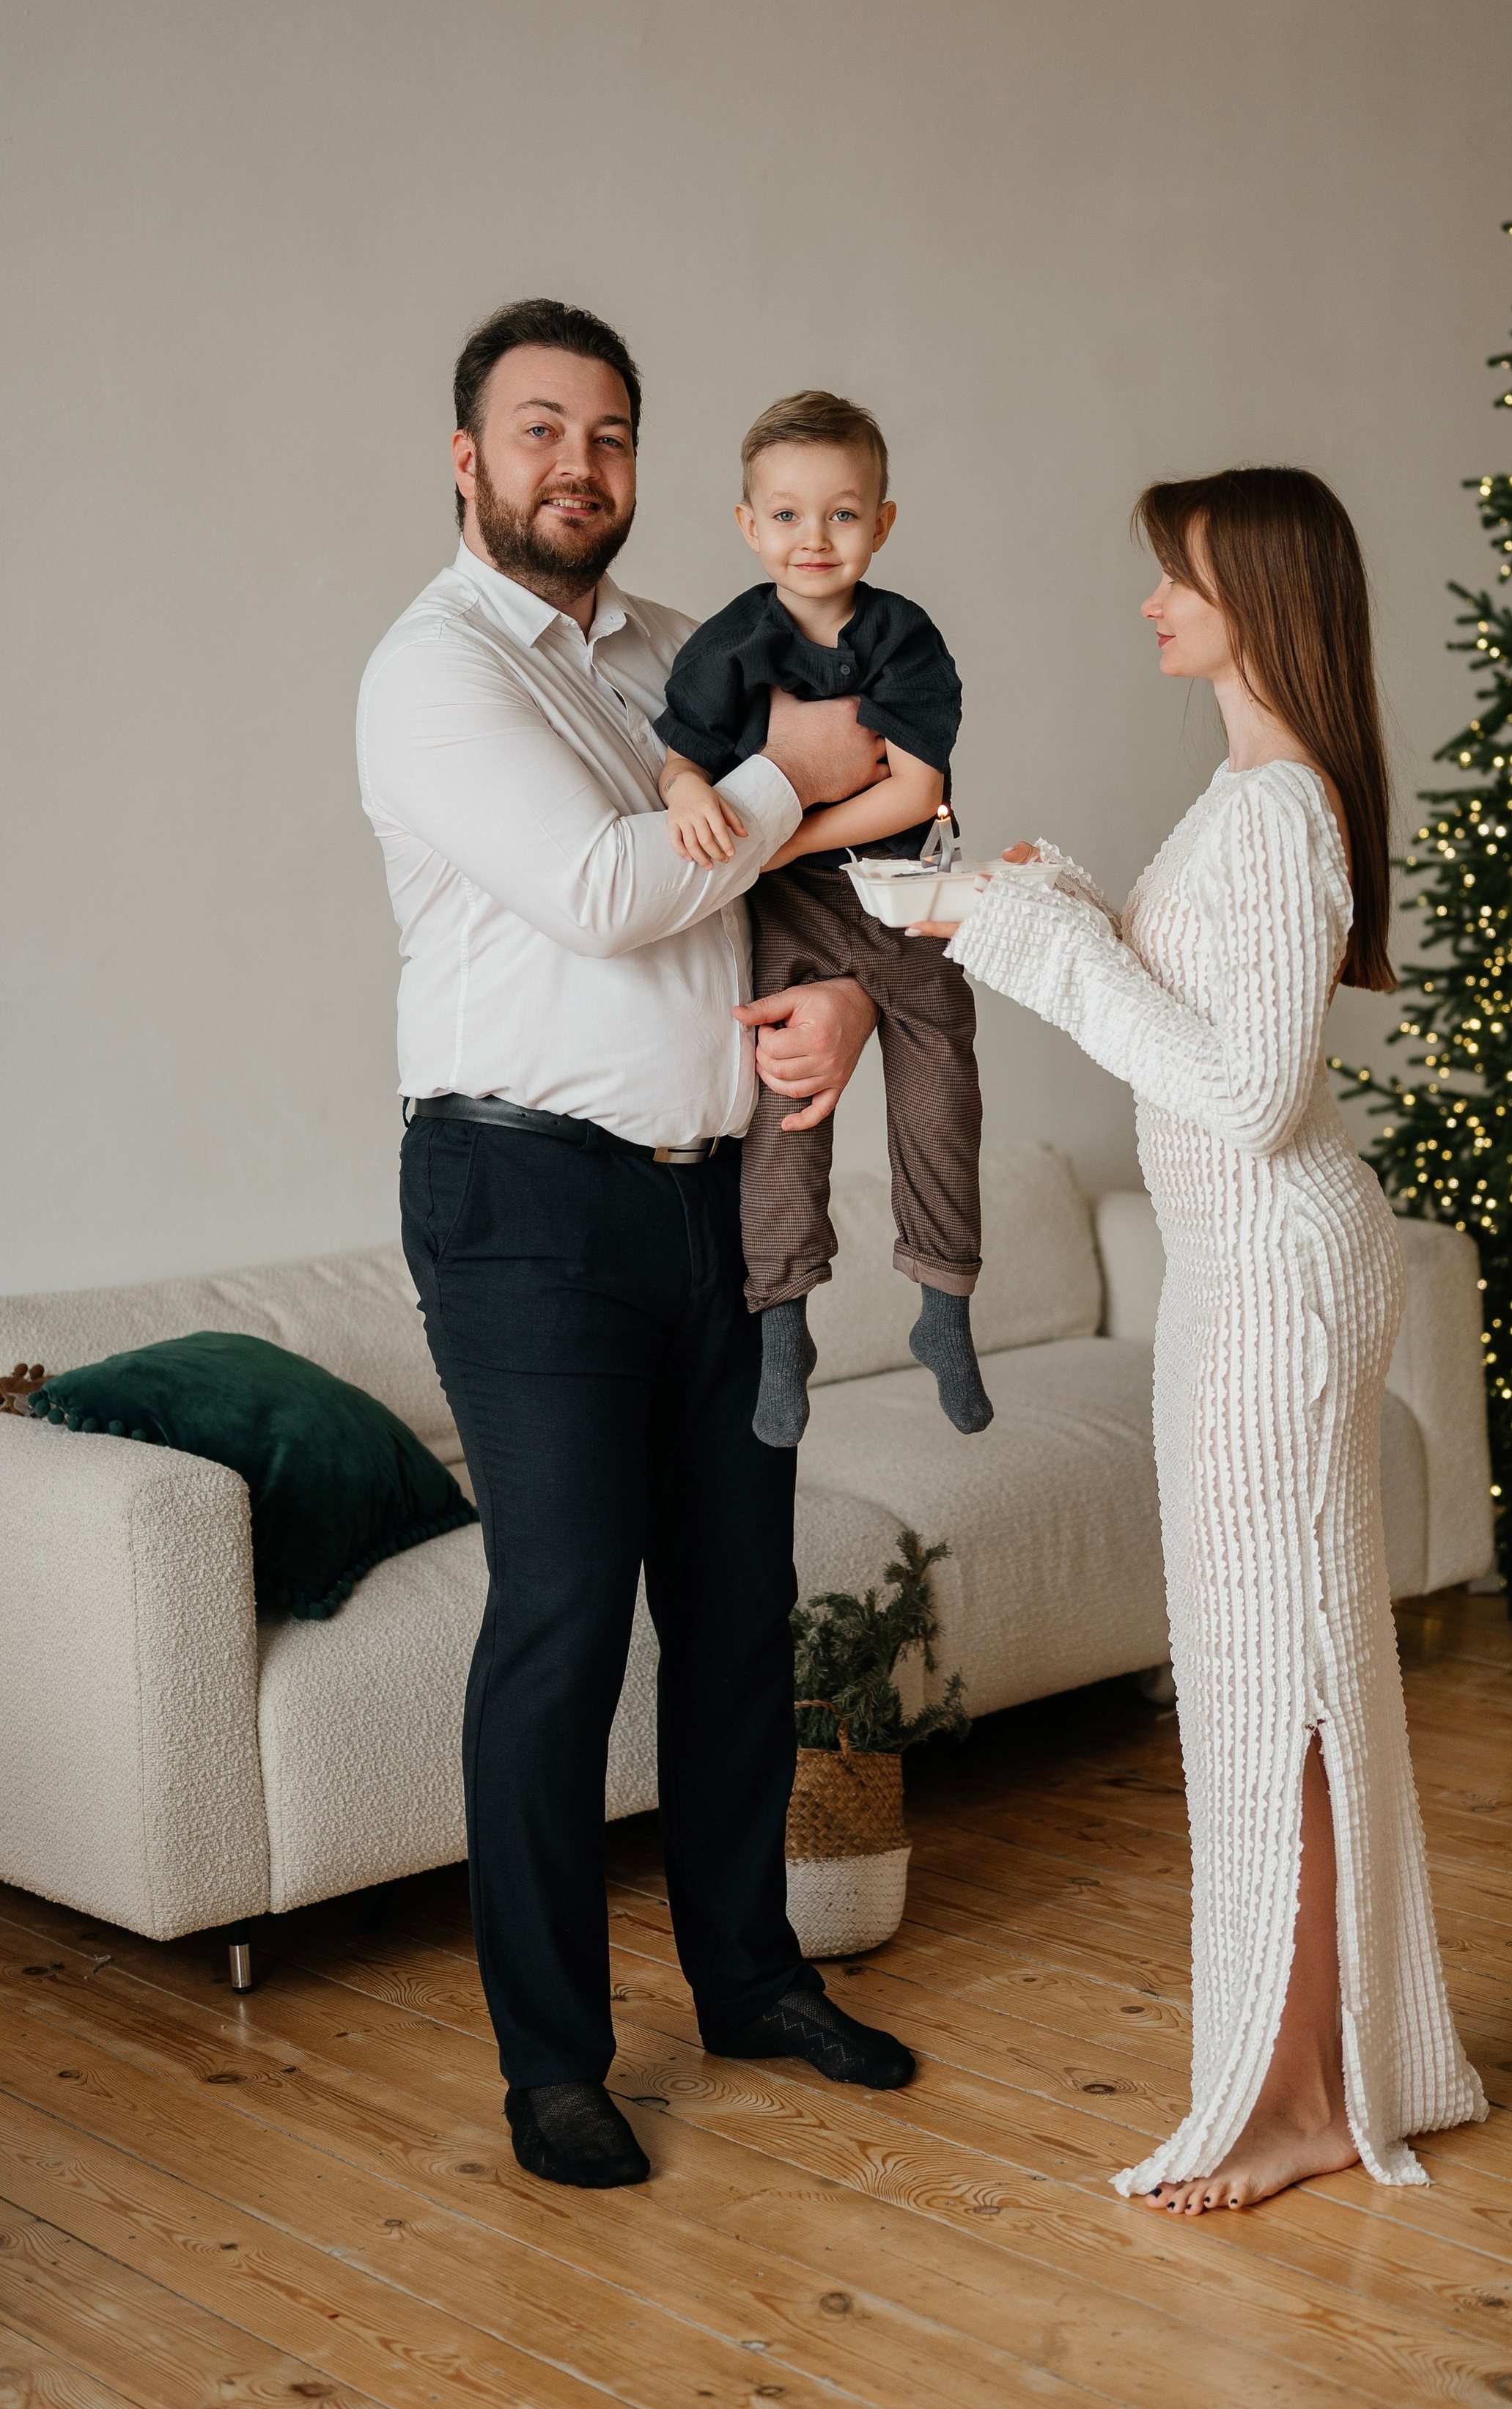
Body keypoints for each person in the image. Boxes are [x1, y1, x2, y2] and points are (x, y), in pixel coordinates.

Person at [356, 298, 918, 2196]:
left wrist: (842, 1001)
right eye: (539, 433)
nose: (577, 468)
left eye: (607, 436)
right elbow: (614, 892)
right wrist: (793, 769)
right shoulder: (430, 675)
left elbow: (840, 865)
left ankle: (752, 1980)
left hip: (721, 1190)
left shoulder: (692, 647)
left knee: (742, 1616)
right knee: (565, 1619)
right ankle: (554, 2065)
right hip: (524, 1205)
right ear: (468, 459)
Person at [913, 466, 1486, 2213]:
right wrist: (1065, 909)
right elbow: (1208, 1013)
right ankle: (1325, 2069)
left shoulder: (1277, 808)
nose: (1145, 600)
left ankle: (1304, 2094)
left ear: (1251, 587)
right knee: (1272, 1683)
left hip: (1268, 1274)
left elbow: (1241, 1087)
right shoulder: (1250, 796)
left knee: (1277, 1690)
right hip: (1245, 1271)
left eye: (1169, 574)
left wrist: (1012, 934)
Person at [654, 390, 990, 1446]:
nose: (814, 539)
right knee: (785, 1117)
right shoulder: (728, 645)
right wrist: (688, 796)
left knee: (941, 1084)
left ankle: (943, 1310)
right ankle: (783, 1326)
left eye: (843, 514)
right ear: (750, 525)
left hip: (898, 892)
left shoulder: (905, 637)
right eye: (788, 516)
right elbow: (682, 756)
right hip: (790, 916)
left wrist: (782, 834)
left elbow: (912, 791)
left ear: (882, 523)